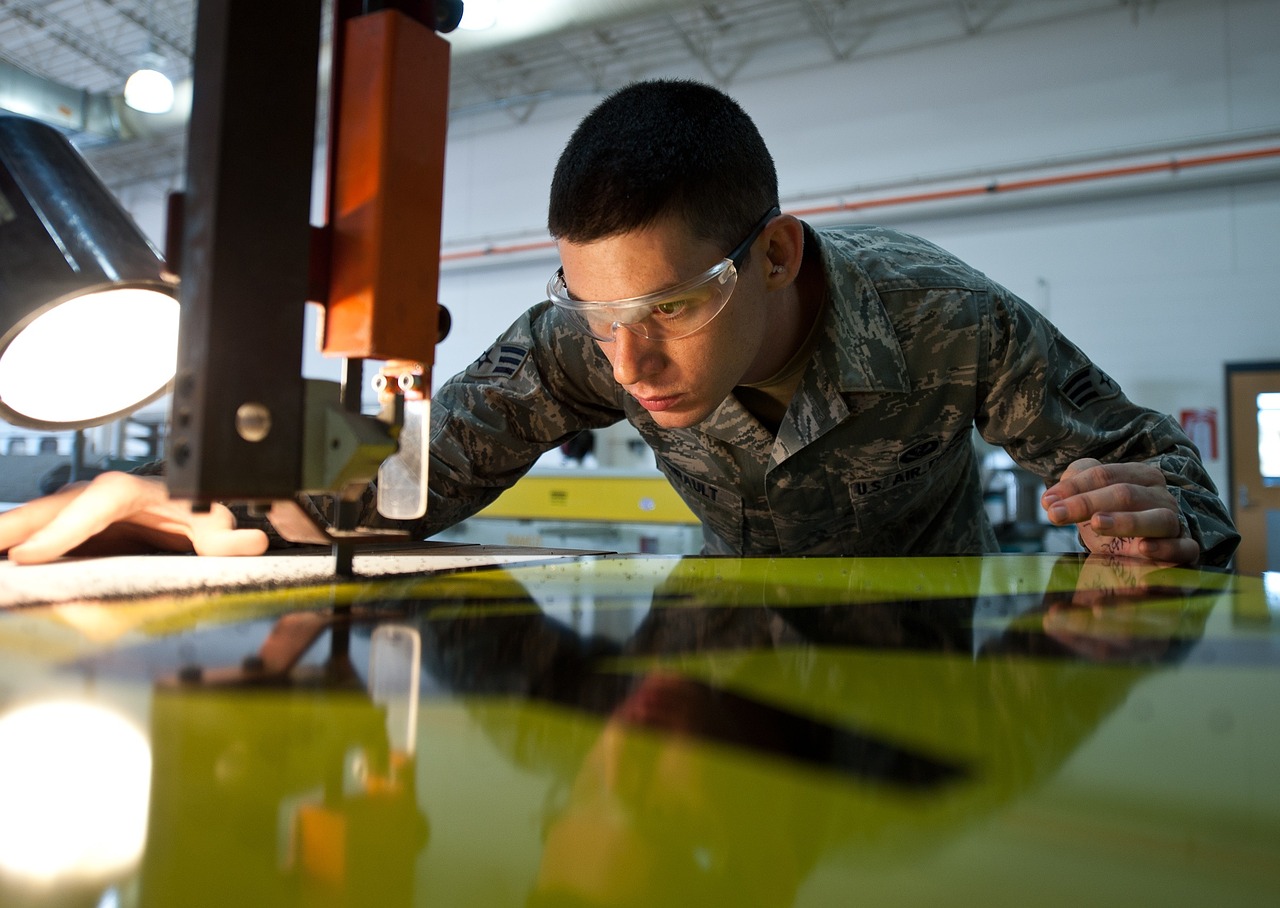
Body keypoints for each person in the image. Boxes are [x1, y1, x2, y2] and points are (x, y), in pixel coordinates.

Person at [0, 80, 1239, 568]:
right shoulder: (581, 345)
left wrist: (1153, 515)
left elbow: (1171, 473)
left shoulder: (945, 321)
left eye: (670, 309)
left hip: (918, 684)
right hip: (707, 658)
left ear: (773, 253)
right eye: (590, 313)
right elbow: (409, 473)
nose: (627, 363)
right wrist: (207, 480)